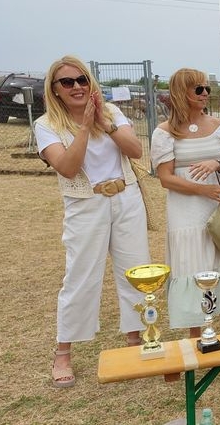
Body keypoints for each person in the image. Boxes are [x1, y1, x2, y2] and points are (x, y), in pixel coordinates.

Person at [35, 55, 149, 388]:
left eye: (82, 79)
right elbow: (68, 167)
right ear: (54, 89)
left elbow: (136, 150)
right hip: (86, 205)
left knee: (135, 272)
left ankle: (135, 342)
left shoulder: (111, 112)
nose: (76, 87)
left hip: (126, 199)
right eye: (67, 82)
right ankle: (64, 352)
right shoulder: (47, 125)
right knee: (81, 277)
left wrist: (104, 121)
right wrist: (84, 127)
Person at [150, 68, 220, 338]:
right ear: (182, 93)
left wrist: (216, 163)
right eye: (199, 89)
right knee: (195, 267)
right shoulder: (164, 133)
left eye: (207, 89)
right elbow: (166, 178)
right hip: (187, 212)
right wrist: (201, 189)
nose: (206, 94)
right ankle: (199, 334)